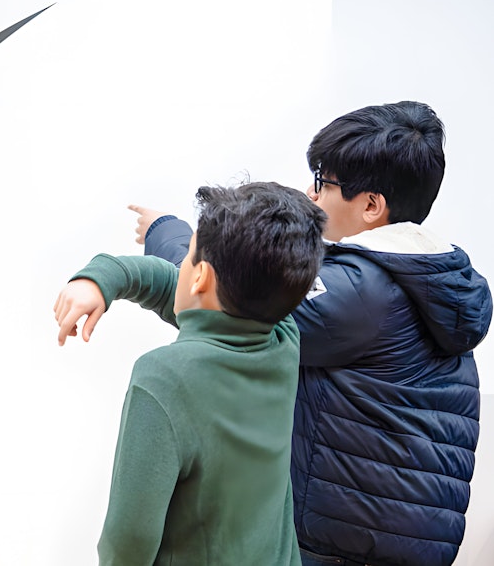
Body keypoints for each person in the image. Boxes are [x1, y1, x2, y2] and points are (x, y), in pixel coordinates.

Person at [129, 101, 493, 565]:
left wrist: (166, 233)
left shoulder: (361, 294)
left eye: (323, 182)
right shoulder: (426, 279)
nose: (311, 193)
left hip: (340, 549)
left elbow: (218, 295)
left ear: (371, 205)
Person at [56, 181, 327, 565]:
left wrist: (104, 272)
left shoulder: (164, 378)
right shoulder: (284, 339)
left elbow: (129, 541)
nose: (179, 266)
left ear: (199, 277)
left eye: (186, 258)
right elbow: (190, 302)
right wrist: (107, 276)